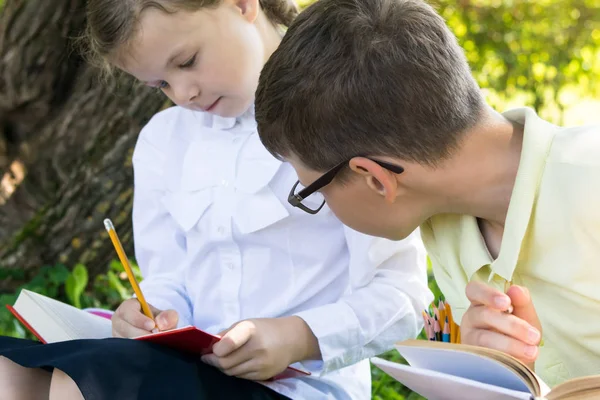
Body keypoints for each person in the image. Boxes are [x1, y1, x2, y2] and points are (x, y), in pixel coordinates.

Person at [0, 0, 432, 399]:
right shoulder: (163, 141)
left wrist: (298, 337)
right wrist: (150, 313)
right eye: (160, 84)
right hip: (186, 367)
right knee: (10, 369)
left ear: (243, 4)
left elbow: (402, 295)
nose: (182, 93)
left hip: (300, 388)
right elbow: (169, 277)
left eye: (187, 62)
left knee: (96, 377)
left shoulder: (343, 119)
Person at [254, 0, 600, 387]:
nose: (327, 208)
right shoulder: (448, 228)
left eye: (312, 191)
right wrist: (489, 374)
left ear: (375, 178)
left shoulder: (590, 181)